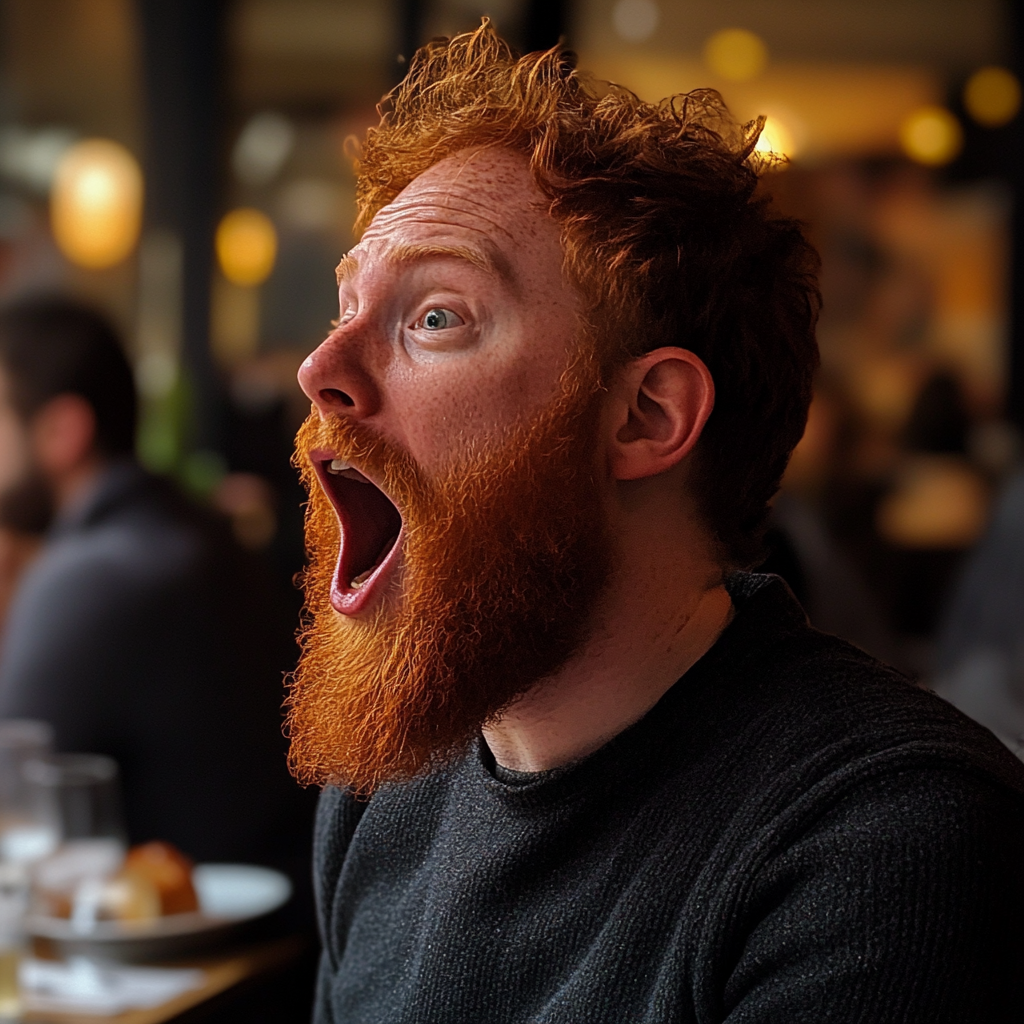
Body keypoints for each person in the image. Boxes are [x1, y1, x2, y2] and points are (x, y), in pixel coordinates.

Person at [291, 26, 1024, 1022]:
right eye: (345, 306)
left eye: (434, 318)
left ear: (646, 415)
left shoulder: (885, 848)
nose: (318, 369)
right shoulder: (387, 785)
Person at [0, 297, 312, 873]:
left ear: (63, 431)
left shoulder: (89, 574)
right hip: (285, 922)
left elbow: (12, 799)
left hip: (196, 947)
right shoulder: (189, 526)